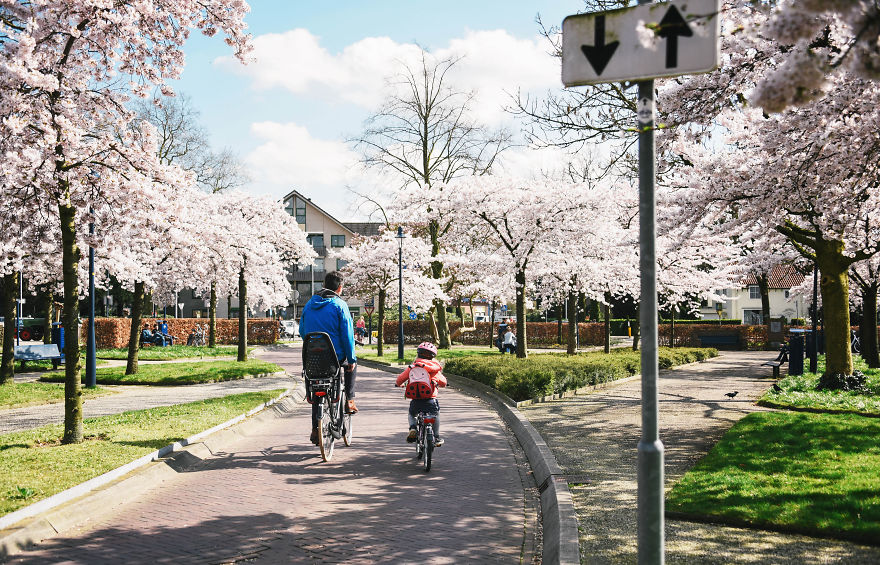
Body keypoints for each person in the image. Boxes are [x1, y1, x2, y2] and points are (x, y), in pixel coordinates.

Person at [299, 271, 358, 445]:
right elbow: (347, 334)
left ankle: (315, 429)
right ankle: (349, 400)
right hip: (335, 357)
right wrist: (351, 359)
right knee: (351, 365)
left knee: (317, 384)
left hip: (312, 357)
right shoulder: (340, 305)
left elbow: (302, 330)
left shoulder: (309, 304)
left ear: (324, 285)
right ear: (340, 288)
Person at [396, 341, 447, 447]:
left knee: (411, 414)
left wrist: (398, 384)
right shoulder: (434, 369)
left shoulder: (413, 367)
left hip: (416, 401)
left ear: (418, 354)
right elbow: (443, 382)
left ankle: (413, 428)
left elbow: (400, 379)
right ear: (433, 357)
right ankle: (436, 437)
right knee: (436, 414)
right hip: (431, 400)